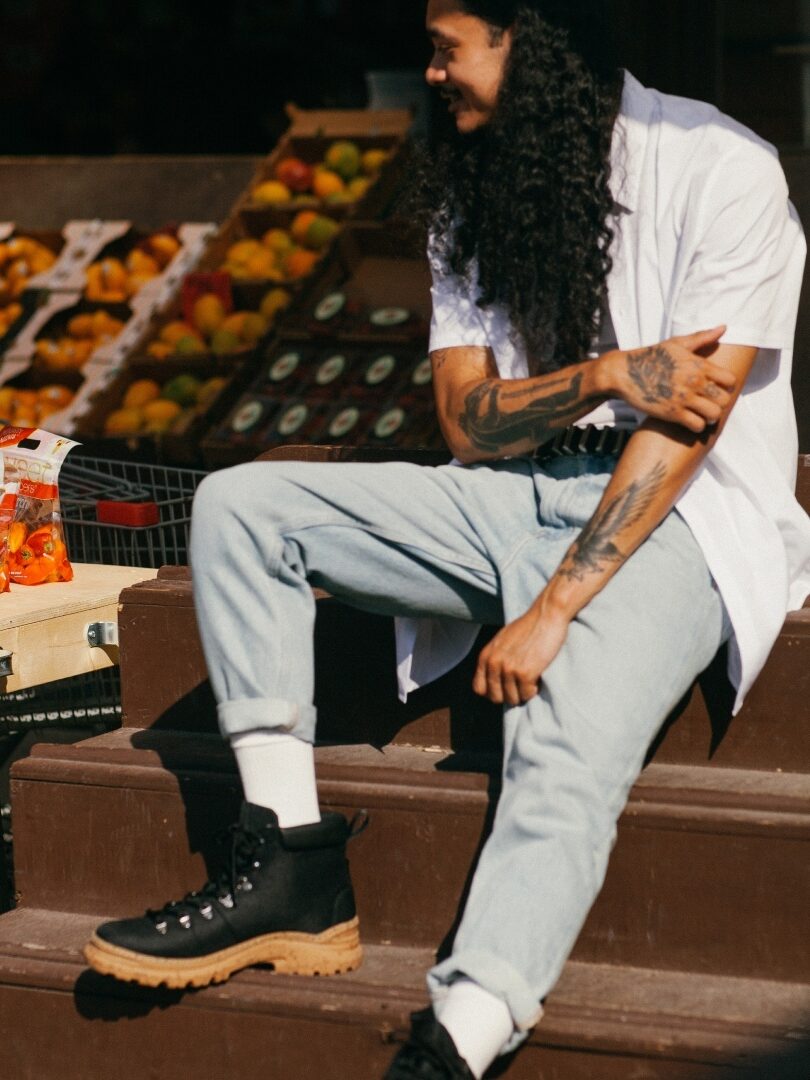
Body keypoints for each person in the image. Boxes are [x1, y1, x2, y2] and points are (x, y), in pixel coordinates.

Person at [84, 2, 810, 1077]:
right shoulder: (475, 187)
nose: (428, 73)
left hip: (675, 523)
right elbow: (469, 423)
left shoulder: (722, 168)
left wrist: (555, 608)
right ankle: (291, 861)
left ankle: (461, 1033)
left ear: (536, 46)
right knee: (244, 506)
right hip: (509, 495)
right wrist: (603, 374)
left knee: (564, 741)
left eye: (447, 47)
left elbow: (681, 432)